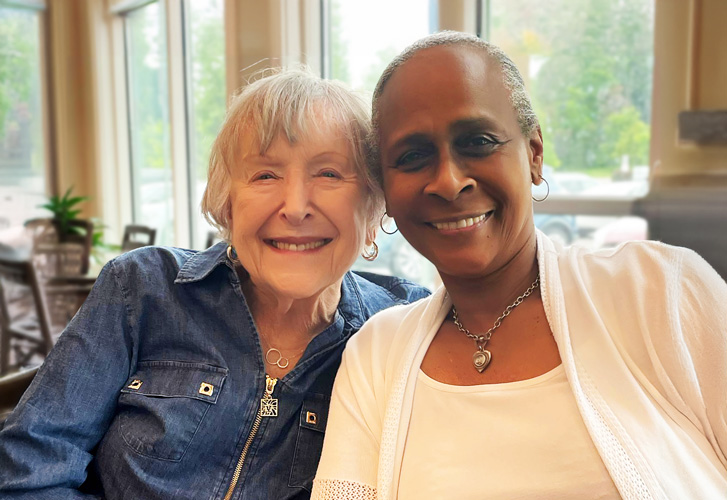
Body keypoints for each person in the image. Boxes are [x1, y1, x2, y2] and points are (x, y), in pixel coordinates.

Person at [312, 31, 727, 499]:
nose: (448, 182)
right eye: (412, 156)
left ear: (533, 154)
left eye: (478, 142)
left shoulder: (658, 290)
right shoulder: (374, 357)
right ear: (385, 188)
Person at [0, 68, 429, 499]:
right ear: (227, 202)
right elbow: (30, 469)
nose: (296, 207)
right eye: (265, 175)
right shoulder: (143, 289)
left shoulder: (401, 328)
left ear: (374, 208)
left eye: (330, 174)